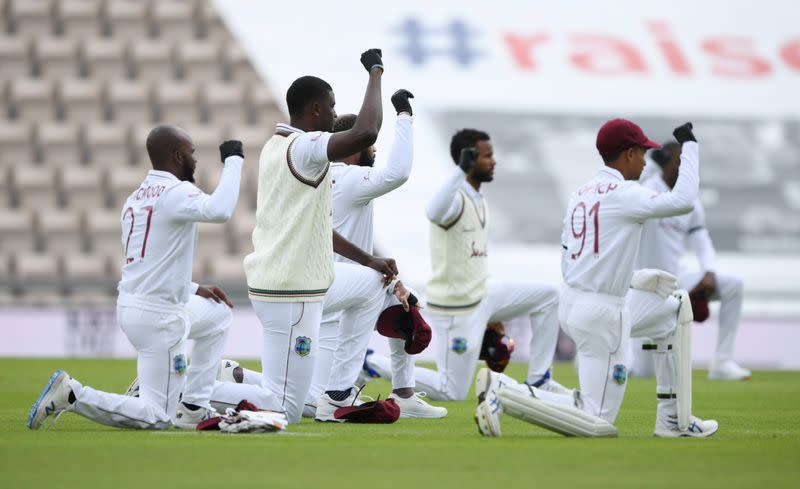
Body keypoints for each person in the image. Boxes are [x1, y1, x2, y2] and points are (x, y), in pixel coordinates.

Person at [475, 119, 719, 438]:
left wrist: (633, 278)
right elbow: (682, 202)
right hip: (604, 312)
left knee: (674, 309)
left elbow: (574, 255)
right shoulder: (626, 193)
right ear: (629, 153)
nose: (646, 161)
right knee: (597, 422)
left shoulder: (580, 193)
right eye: (643, 152)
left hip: (577, 302)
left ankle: (673, 419)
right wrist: (690, 148)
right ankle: (504, 391)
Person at [28, 125, 264, 430]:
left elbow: (147, 262)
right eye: (192, 154)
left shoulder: (135, 198)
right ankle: (74, 394)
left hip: (138, 305)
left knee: (218, 315)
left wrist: (193, 288)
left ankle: (194, 405)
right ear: (178, 156)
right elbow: (220, 211)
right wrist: (233, 160)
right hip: (159, 317)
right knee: (158, 416)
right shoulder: (177, 192)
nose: (195, 160)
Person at [243, 49, 398, 424]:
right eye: (330, 107)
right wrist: (375, 72)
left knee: (373, 281)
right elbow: (366, 131)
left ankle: (339, 391)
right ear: (314, 109)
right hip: (291, 291)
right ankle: (188, 387)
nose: (334, 114)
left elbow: (317, 227)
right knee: (287, 411)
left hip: (278, 283)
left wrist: (368, 259)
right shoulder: (307, 148)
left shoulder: (274, 146)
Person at [407, 128, 568, 402]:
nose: (493, 161)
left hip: (483, 294)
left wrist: (493, 314)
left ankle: (540, 379)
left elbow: (474, 259)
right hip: (456, 304)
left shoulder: (478, 198)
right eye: (486, 156)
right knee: (452, 391)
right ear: (467, 160)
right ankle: (373, 363)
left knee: (549, 296)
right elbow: (432, 211)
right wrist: (460, 171)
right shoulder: (455, 198)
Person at [632, 141, 751, 381]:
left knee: (733, 285)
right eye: (680, 161)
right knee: (644, 372)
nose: (686, 168)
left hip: (677, 280)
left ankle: (722, 362)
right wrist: (656, 162)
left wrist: (708, 271)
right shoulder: (645, 191)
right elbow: (637, 179)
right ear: (665, 162)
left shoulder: (691, 202)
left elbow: (701, 239)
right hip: (646, 287)